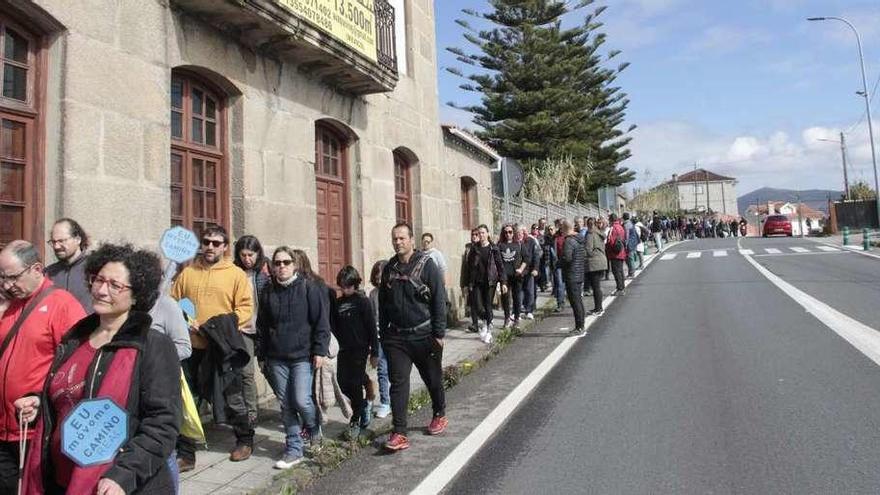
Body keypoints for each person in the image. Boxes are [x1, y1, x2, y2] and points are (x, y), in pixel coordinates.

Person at [17, 243, 180, 494]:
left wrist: (124, 475)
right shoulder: (75, 338)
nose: (102, 290)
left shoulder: (153, 345)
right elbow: (70, 394)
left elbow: (162, 424)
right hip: (63, 477)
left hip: (120, 484)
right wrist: (40, 404)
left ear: (136, 294)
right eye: (98, 280)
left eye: (115, 285)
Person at [0, 241, 85, 493]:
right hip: (2, 430)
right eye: (2, 278)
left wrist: (40, 399)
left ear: (36, 269)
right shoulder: (9, 304)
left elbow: (77, 367)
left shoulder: (62, 304)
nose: (6, 285)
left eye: (12, 278)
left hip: (35, 431)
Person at [171, 225, 254, 470]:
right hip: (192, 346)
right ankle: (186, 454)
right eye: (206, 242)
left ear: (225, 247)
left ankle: (245, 440)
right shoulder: (188, 273)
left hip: (222, 347)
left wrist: (214, 328)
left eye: (216, 243)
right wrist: (188, 321)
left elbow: (245, 309)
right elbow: (174, 301)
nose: (210, 247)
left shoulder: (235, 274)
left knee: (233, 397)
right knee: (188, 400)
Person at [256, 246, 330, 469]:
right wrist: (261, 354)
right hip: (276, 357)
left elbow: (321, 323)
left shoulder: (308, 288)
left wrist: (319, 350)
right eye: (277, 263)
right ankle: (294, 449)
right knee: (286, 405)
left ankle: (313, 425)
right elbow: (262, 326)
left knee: (301, 400)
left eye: (286, 262)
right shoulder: (268, 291)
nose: (281, 267)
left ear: (294, 264)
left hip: (302, 356)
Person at [379, 222, 447, 452]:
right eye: (394, 239)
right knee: (398, 384)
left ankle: (439, 412)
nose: (398, 242)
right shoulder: (389, 269)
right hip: (397, 338)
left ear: (411, 240)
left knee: (432, 378)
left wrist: (439, 333)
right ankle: (399, 432)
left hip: (425, 334)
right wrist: (383, 335)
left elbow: (439, 299)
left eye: (402, 238)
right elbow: (383, 304)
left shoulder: (428, 266)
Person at [332, 266, 379, 441]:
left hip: (360, 349)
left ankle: (355, 420)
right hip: (343, 350)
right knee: (343, 383)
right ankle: (367, 383)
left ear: (355, 284)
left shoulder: (363, 302)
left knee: (354, 384)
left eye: (348, 286)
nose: (345, 289)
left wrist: (374, 351)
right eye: (342, 286)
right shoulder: (338, 304)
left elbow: (371, 328)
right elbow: (335, 327)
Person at [233, 235, 270, 432]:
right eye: (243, 255)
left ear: (258, 254)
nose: (247, 259)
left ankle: (290, 407)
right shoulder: (234, 273)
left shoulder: (265, 273)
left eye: (251, 255)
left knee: (269, 369)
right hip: (244, 329)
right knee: (246, 373)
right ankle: (251, 412)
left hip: (263, 329)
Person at [461, 224, 506, 344]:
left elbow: (500, 266)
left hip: (490, 281)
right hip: (476, 282)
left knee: (488, 305)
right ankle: (487, 321)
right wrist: (466, 284)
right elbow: (468, 267)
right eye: (479, 233)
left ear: (487, 234)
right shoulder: (474, 249)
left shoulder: (494, 248)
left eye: (483, 233)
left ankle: (488, 329)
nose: (481, 235)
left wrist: (503, 282)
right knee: (478, 306)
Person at [44, 218, 92, 312]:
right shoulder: (49, 273)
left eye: (61, 241)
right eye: (53, 242)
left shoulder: (95, 268)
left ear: (77, 239)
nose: (56, 246)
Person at [368, 261, 391, 418]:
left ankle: (393, 397)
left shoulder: (393, 291)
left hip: (393, 336)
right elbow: (371, 317)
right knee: (382, 370)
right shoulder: (373, 294)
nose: (379, 277)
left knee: (394, 371)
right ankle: (385, 402)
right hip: (379, 337)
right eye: (376, 273)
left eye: (382, 273)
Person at [559, 220, 586, 334]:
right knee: (578, 301)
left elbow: (567, 258)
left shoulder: (569, 241)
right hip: (579, 272)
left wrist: (558, 263)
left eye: (561, 229)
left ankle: (579, 326)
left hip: (572, 274)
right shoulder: (579, 239)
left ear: (565, 228)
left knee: (575, 301)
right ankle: (581, 324)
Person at [497, 224, 524, 329]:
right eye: (506, 232)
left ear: (513, 233)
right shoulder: (500, 245)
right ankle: (507, 318)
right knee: (505, 298)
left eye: (510, 232)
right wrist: (501, 278)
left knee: (517, 297)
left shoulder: (518, 244)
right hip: (505, 277)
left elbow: (526, 259)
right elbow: (498, 262)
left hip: (516, 276)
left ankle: (516, 318)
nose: (508, 234)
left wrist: (521, 269)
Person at [459, 228, 480, 333]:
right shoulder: (468, 248)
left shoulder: (484, 247)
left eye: (477, 234)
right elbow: (465, 267)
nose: (474, 236)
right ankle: (475, 324)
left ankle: (487, 321)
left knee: (481, 304)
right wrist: (463, 283)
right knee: (473, 303)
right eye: (473, 234)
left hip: (482, 280)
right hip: (472, 280)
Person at [517, 225, 541, 320]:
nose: (519, 235)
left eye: (521, 233)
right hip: (518, 271)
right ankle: (518, 311)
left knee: (529, 291)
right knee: (519, 292)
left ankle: (529, 311)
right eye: (518, 233)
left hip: (529, 270)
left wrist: (535, 268)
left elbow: (536, 256)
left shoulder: (530, 242)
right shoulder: (515, 242)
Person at [585, 218, 608, 315]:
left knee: (596, 287)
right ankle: (598, 307)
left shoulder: (590, 234)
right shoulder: (600, 233)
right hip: (602, 260)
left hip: (594, 263)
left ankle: (598, 308)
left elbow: (588, 249)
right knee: (597, 286)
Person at [606, 213, 627, 296]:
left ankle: (620, 288)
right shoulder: (621, 227)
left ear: (611, 220)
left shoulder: (613, 228)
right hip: (621, 251)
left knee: (616, 271)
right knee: (620, 270)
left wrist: (607, 247)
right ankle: (622, 287)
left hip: (614, 253)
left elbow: (610, 241)